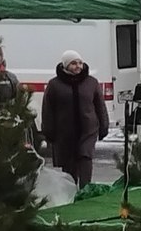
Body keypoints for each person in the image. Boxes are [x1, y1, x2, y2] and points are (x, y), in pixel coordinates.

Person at [41, 50, 109, 187]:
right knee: (69, 165)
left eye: (80, 63)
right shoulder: (54, 85)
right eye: (73, 63)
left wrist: (103, 126)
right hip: (65, 132)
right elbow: (48, 110)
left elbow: (100, 106)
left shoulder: (91, 83)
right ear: (66, 65)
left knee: (85, 157)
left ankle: (85, 189)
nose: (78, 66)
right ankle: (71, 190)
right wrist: (49, 131)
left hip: (88, 129)